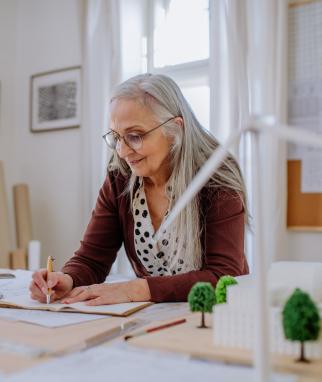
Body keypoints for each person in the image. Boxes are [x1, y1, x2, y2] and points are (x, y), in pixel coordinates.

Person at [29, 73, 249, 305]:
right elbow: (93, 258)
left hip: (216, 317)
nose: (122, 152)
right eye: (116, 137)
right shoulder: (120, 177)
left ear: (175, 131)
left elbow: (224, 276)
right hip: (154, 317)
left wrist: (135, 290)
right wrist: (67, 278)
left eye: (134, 136)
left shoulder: (216, 176)